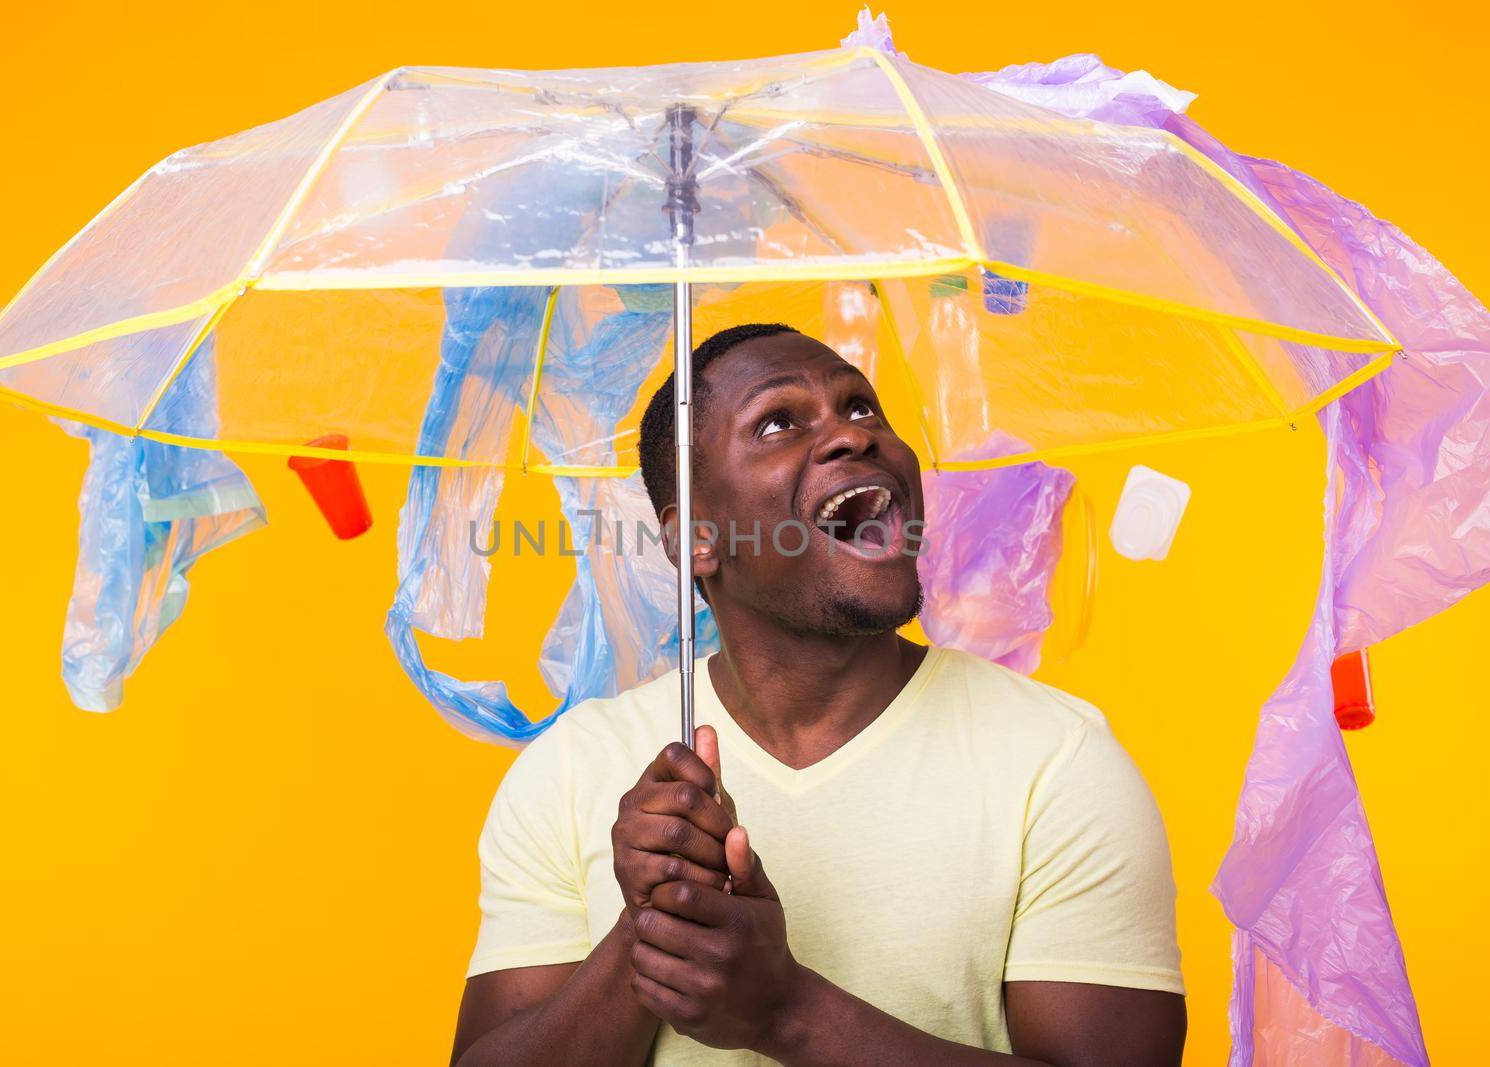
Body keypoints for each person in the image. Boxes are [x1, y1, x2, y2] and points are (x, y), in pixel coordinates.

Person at [450, 323, 1186, 1066]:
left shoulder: (1056, 764)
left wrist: (786, 1011)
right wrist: (647, 926)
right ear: (697, 539)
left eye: (862, 408)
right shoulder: (571, 772)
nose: (852, 437)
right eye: (779, 421)